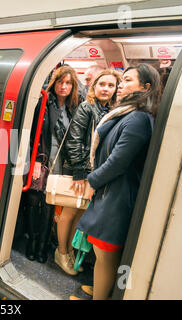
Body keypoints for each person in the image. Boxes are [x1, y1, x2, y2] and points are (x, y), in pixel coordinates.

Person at [75, 64, 161, 300]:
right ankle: (102, 288)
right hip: (110, 191)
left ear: (145, 87)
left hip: (117, 196)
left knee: (106, 254)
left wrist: (91, 181)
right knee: (103, 253)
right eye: (121, 80)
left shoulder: (138, 119)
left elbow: (118, 162)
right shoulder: (127, 113)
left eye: (128, 80)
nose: (120, 85)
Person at [60, 69, 121, 275]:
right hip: (79, 170)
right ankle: (61, 253)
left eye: (111, 85)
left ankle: (69, 251)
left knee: (80, 214)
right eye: (102, 84)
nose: (106, 89)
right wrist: (79, 171)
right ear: (94, 86)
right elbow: (74, 139)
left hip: (93, 171)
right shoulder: (88, 107)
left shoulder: (110, 110)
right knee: (69, 212)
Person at [23, 65, 80, 263]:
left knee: (49, 206)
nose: (64, 86)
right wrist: (36, 160)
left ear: (73, 87)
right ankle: (31, 242)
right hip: (42, 159)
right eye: (60, 82)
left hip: (60, 164)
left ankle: (42, 247)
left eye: (68, 83)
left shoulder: (74, 108)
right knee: (33, 203)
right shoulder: (44, 102)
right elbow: (33, 133)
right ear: (54, 83)